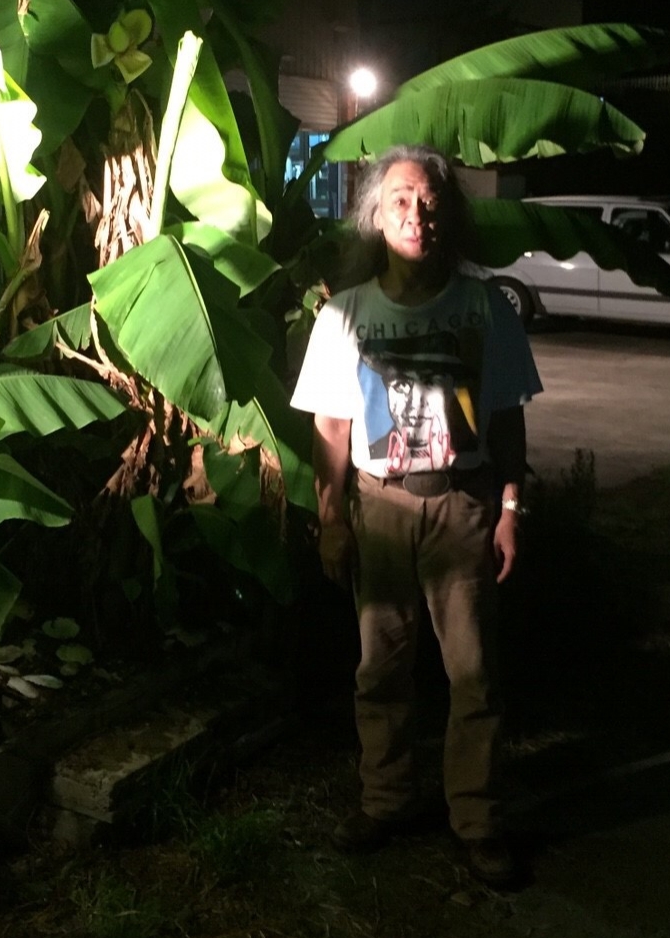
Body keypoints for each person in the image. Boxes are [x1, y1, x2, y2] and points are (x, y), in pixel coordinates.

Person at [290, 143, 542, 888]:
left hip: (461, 506)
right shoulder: (346, 313)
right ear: (375, 214)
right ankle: (386, 801)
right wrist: (331, 518)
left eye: (428, 200)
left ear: (449, 214)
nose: (415, 214)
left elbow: (506, 423)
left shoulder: (483, 308)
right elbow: (331, 429)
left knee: (475, 678)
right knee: (380, 670)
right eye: (399, 199)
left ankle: (478, 820)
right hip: (380, 511)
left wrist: (509, 510)